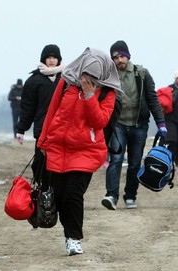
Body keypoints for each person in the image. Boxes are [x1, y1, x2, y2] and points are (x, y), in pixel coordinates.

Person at [37, 47, 121, 256]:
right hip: (58, 146)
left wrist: (90, 95)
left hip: (86, 150)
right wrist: (43, 142)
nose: (86, 78)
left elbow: (100, 121)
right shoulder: (66, 82)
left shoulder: (108, 93)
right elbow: (52, 110)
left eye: (92, 76)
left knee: (73, 194)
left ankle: (73, 238)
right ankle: (68, 234)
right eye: (85, 73)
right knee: (61, 196)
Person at [101, 40, 167, 211]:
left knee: (135, 163)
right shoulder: (109, 76)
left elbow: (152, 99)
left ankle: (130, 196)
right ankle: (111, 196)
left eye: (122, 56)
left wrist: (161, 123)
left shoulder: (142, 74)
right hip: (118, 125)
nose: (119, 60)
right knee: (115, 159)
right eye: (115, 57)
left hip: (139, 125)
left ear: (128, 56)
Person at [16, 44, 63, 188]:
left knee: (61, 164)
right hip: (43, 129)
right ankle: (42, 191)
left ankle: (57, 193)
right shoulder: (34, 81)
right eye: (48, 57)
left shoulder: (67, 78)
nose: (51, 60)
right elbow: (27, 108)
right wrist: (21, 129)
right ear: (43, 59)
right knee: (40, 163)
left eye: (54, 57)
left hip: (63, 128)